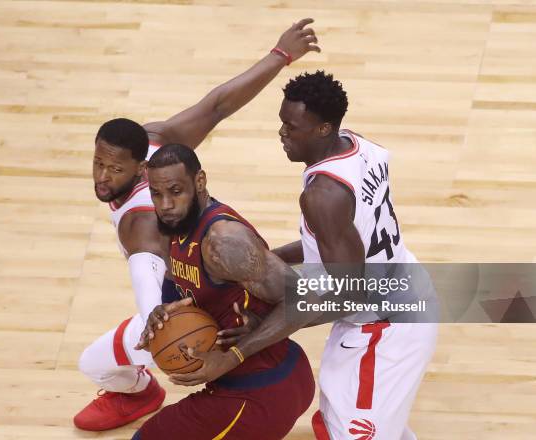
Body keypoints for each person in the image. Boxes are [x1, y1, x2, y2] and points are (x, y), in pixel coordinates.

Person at [73, 19, 321, 431]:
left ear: (139, 168)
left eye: (115, 169)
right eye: (99, 163)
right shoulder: (154, 141)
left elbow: (147, 284)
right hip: (195, 288)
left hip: (175, 307)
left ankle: (138, 391)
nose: (102, 177)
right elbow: (217, 105)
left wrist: (156, 316)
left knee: (95, 362)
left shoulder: (141, 224)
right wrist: (280, 56)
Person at [169, 71, 438, 440]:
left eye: (292, 127)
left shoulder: (322, 196)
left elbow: (349, 295)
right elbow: (339, 236)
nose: (282, 132)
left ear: (324, 128)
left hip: (383, 327)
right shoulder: (357, 146)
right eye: (282, 122)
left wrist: (244, 348)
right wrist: (266, 259)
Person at [134, 144, 315, 440]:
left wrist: (232, 356)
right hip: (262, 378)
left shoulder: (223, 243)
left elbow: (303, 298)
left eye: (176, 191)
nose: (165, 204)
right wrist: (162, 312)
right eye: (156, 194)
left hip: (259, 391)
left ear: (200, 182)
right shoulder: (175, 222)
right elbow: (181, 282)